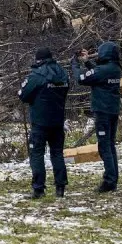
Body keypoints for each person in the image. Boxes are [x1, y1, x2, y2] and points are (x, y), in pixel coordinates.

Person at [18, 47, 70, 199]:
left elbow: (23, 95)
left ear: (38, 60)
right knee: (57, 154)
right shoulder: (63, 73)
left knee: (37, 154)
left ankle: (38, 189)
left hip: (40, 122)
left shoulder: (36, 75)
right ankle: (60, 187)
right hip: (58, 120)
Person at [79, 42, 122, 193]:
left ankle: (109, 180)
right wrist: (87, 62)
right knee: (110, 145)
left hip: (102, 112)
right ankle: (113, 179)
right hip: (113, 111)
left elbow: (82, 79)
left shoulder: (104, 70)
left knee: (104, 146)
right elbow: (98, 74)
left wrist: (76, 65)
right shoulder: (115, 69)